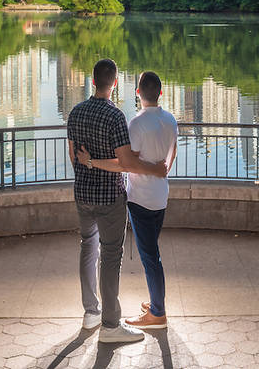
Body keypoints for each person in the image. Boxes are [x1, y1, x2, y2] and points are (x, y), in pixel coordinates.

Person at [67, 58, 167, 344]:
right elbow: (125, 163)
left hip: (82, 194)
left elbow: (74, 155)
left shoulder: (75, 112)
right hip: (109, 197)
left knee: (88, 248)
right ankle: (111, 325)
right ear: (114, 83)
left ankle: (91, 312)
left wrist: (87, 165)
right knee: (111, 256)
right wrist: (153, 169)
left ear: (93, 80)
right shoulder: (115, 117)